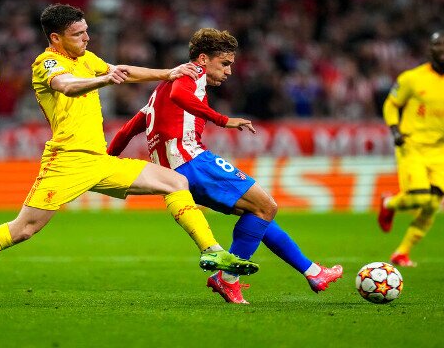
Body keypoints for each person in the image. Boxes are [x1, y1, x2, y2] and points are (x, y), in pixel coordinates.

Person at [0, 4, 258, 305]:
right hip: (66, 161)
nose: (87, 38)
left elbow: (121, 69)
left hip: (97, 160)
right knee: (23, 230)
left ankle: (211, 250)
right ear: (56, 38)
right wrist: (105, 81)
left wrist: (167, 73)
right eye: (78, 34)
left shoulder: (86, 58)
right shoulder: (46, 63)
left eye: (87, 31)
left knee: (175, 180)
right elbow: (68, 86)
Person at [108, 28, 343, 304]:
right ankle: (228, 279)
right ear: (204, 59)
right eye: (225, 63)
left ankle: (313, 272)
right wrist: (222, 119)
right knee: (266, 206)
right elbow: (179, 97)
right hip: (193, 162)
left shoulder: (155, 94)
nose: (229, 71)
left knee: (259, 213)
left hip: (174, 174)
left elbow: (126, 131)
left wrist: (104, 161)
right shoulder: (191, 74)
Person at [378, 30, 444, 267]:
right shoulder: (412, 78)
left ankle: (401, 252)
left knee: (433, 204)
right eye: (437, 44)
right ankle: (389, 203)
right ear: (430, 50)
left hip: (441, 150)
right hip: (412, 144)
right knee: (420, 197)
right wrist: (395, 130)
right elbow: (391, 104)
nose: (442, 48)